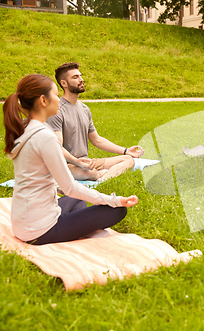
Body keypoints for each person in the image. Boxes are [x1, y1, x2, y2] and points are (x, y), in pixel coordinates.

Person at [3, 74, 139, 245]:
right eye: (55, 94)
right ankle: (83, 230)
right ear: (43, 100)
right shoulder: (45, 136)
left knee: (79, 198)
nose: (59, 100)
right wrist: (116, 200)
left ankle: (81, 227)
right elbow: (70, 187)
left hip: (23, 225)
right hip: (40, 231)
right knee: (117, 211)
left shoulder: (24, 129)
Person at [46, 62, 144, 181]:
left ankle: (102, 178)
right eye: (75, 77)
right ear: (63, 83)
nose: (81, 80)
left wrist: (126, 151)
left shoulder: (84, 109)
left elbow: (96, 140)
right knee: (90, 174)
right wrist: (77, 162)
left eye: (80, 76)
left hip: (87, 163)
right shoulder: (57, 110)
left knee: (128, 160)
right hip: (66, 165)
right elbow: (56, 147)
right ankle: (101, 176)